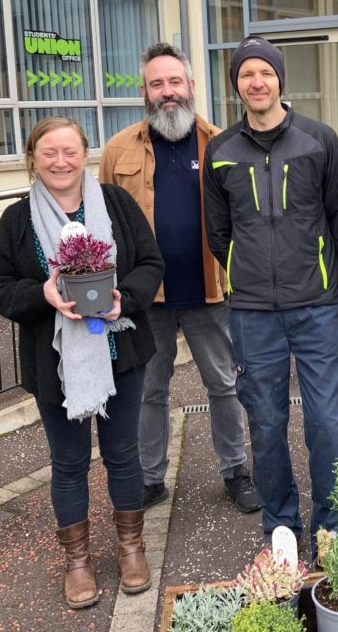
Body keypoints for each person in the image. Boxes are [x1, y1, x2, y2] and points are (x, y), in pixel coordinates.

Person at [0, 117, 165, 609]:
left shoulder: (118, 205)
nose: (60, 162)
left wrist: (123, 300)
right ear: (33, 159)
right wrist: (43, 293)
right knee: (68, 464)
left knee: (123, 454)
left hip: (120, 354)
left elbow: (151, 264)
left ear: (84, 153)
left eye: (69, 152)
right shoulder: (18, 220)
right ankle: (78, 562)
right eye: (49, 153)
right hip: (56, 364)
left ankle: (131, 550)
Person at [99, 42, 259, 515]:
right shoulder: (118, 149)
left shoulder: (222, 143)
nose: (167, 92)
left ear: (191, 86)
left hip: (211, 289)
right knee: (150, 389)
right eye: (156, 84)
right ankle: (150, 478)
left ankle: (235, 470)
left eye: (175, 82)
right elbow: (105, 222)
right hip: (146, 297)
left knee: (225, 385)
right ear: (145, 92)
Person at [204, 35, 338, 551]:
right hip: (252, 314)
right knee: (265, 424)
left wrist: (324, 276)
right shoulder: (220, 150)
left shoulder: (318, 140)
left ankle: (333, 527)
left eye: (265, 72)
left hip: (315, 306)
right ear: (237, 86)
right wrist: (240, 275)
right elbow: (218, 233)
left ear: (280, 80)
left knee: (328, 422)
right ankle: (282, 526)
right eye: (246, 74)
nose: (256, 82)